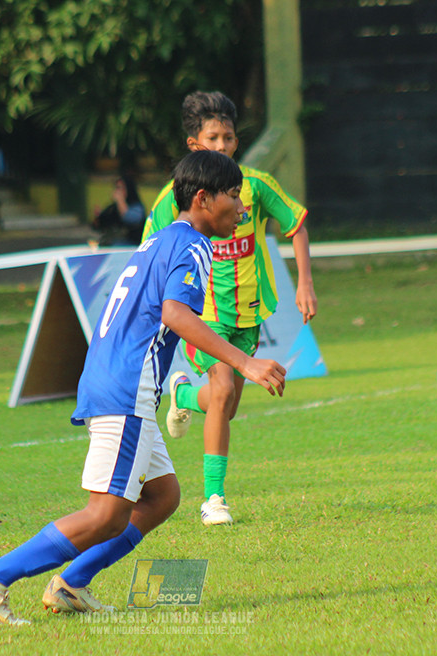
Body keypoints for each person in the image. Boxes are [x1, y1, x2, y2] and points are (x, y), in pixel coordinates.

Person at [0, 150, 287, 626]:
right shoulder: (194, 245)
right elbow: (176, 314)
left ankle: (71, 585)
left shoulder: (161, 240)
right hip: (129, 383)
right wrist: (245, 362)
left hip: (116, 376)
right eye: (233, 196)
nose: (241, 208)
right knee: (106, 514)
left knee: (163, 496)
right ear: (202, 199)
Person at [141, 91, 318, 526]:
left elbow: (295, 223)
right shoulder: (174, 198)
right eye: (212, 138)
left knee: (226, 404)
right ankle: (214, 499)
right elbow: (150, 248)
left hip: (249, 315)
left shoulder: (253, 186)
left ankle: (181, 395)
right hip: (204, 315)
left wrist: (305, 284)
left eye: (229, 138)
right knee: (221, 393)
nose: (222, 146)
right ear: (193, 144)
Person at [92, 175, 146, 246]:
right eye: (117, 188)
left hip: (132, 245)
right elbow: (99, 225)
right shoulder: (114, 207)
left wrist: (120, 200)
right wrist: (98, 217)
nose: (118, 191)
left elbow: (128, 218)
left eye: (121, 188)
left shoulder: (137, 207)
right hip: (113, 244)